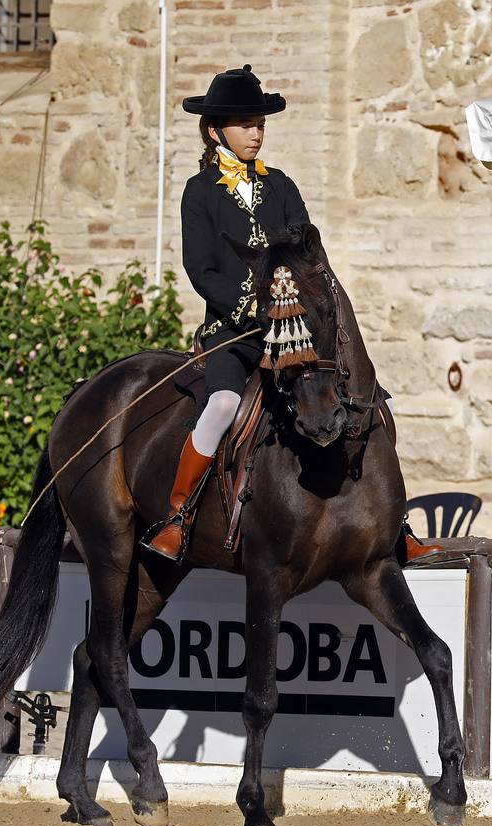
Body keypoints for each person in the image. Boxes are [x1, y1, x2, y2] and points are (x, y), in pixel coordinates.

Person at [143, 64, 310, 561]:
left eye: (260, 124)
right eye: (245, 124)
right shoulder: (199, 192)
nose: (256, 133)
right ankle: (178, 515)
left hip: (292, 323)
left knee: (353, 392)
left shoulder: (281, 185)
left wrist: (294, 297)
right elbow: (202, 271)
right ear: (216, 130)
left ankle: (391, 524)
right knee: (221, 405)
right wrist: (254, 309)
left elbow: (305, 250)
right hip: (233, 332)